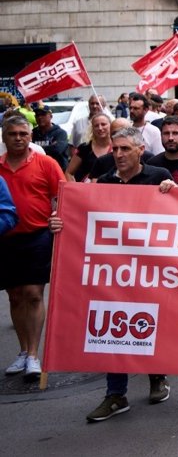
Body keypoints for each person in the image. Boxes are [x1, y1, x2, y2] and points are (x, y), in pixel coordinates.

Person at [84, 127, 174, 422]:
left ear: (140, 151)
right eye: (115, 149)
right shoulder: (105, 181)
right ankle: (115, 393)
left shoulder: (158, 174)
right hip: (115, 269)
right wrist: (61, 221)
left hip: (151, 267)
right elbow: (86, 214)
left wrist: (173, 190)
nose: (119, 154)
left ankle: (157, 376)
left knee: (149, 321)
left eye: (125, 149)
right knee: (114, 326)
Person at [0, 114, 65, 383]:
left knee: (34, 293)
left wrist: (56, 214)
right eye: (13, 134)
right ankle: (23, 350)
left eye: (23, 134)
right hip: (5, 239)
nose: (18, 138)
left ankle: (35, 355)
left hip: (38, 236)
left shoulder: (46, 163)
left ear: (30, 136)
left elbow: (62, 194)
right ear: (4, 138)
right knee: (14, 295)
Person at [66, 113, 113, 182]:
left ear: (111, 126)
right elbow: (68, 173)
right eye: (96, 126)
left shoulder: (118, 147)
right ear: (92, 128)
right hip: (86, 190)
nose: (100, 128)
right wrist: (75, 189)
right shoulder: (84, 148)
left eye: (103, 124)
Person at [30, 105, 69, 170]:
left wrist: (35, 150)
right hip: (38, 169)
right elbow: (27, 150)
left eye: (43, 114)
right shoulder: (33, 133)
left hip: (58, 170)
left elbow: (57, 150)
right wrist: (50, 147)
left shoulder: (60, 133)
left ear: (51, 116)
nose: (40, 117)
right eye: (37, 115)